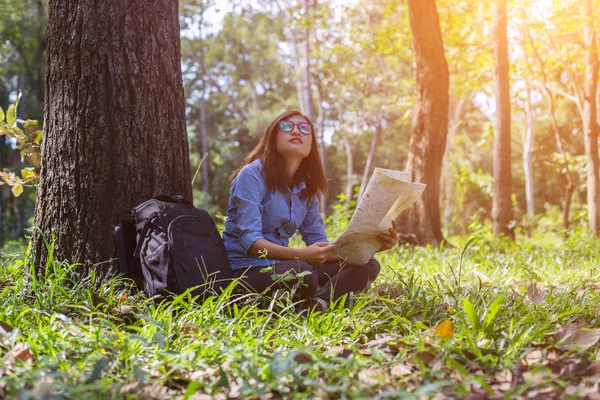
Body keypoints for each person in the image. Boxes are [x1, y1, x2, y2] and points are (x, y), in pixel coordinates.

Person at [223, 110, 398, 309]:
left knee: (368, 265)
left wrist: (370, 247)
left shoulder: (308, 187)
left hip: (290, 268)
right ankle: (322, 294)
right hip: (247, 270)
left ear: (311, 143)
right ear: (273, 137)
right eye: (287, 126)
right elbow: (251, 242)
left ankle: (316, 304)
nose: (296, 131)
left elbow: (319, 245)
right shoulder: (252, 175)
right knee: (301, 271)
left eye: (304, 128)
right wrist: (301, 255)